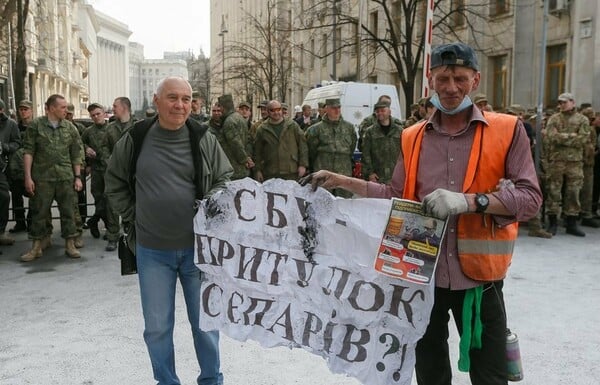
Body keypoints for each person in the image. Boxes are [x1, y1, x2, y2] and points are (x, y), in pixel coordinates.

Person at [301, 42, 542, 385]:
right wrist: (341, 181)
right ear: (431, 80)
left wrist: (471, 202)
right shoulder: (412, 137)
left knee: (490, 376)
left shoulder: (506, 130)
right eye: (443, 78)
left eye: (460, 78)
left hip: (479, 283)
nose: (451, 87)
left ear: (475, 79)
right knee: (430, 373)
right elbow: (396, 196)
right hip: (420, 278)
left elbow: (530, 199)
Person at [105, 76, 231, 385]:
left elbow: (225, 178)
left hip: (198, 251)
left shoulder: (203, 137)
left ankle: (211, 380)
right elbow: (114, 181)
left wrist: (208, 205)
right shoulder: (136, 136)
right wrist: (136, 215)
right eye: (172, 97)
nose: (180, 104)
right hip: (152, 251)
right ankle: (166, 381)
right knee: (158, 327)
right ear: (156, 101)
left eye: (186, 99)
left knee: (205, 323)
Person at [20, 94, 83, 261]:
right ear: (52, 108)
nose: (66, 110)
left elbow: (76, 153)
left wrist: (77, 177)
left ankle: (70, 244)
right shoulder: (35, 126)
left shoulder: (70, 128)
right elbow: (28, 152)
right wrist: (28, 177)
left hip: (65, 178)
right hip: (42, 178)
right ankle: (36, 247)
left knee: (69, 211)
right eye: (62, 107)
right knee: (38, 213)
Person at [544, 92, 591, 236]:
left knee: (574, 192)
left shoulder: (582, 119)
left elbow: (583, 139)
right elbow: (551, 136)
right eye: (560, 102)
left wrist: (562, 137)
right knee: (553, 191)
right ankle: (552, 223)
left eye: (564, 102)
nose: (561, 105)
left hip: (574, 162)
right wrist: (572, 137)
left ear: (573, 102)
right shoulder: (554, 119)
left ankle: (571, 223)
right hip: (557, 160)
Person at [82, 103, 118, 251]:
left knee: (110, 202)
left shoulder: (112, 129)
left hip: (111, 171)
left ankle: (112, 236)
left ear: (104, 113)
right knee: (98, 199)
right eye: (93, 115)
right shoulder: (88, 131)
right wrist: (86, 149)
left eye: (98, 114)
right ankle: (97, 222)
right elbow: (79, 143)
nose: (96, 117)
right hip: (97, 170)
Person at [305, 98, 357, 197]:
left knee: (344, 204)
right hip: (323, 172)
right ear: (327, 109)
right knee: (322, 204)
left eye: (339, 107)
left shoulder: (349, 128)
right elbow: (311, 152)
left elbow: (351, 148)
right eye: (333, 108)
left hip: (343, 173)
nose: (337, 110)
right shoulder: (315, 129)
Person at [253, 100, 308, 182]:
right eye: (272, 110)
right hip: (270, 172)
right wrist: (257, 170)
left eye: (278, 109)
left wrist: (303, 165)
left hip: (291, 171)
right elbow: (257, 152)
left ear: (281, 110)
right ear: (268, 112)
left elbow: (302, 145)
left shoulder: (292, 126)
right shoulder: (262, 129)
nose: (276, 113)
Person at [360, 100, 403, 184]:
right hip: (378, 176)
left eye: (383, 110)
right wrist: (370, 173)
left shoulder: (400, 130)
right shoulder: (370, 131)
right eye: (377, 111)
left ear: (389, 112)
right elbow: (366, 154)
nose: (380, 113)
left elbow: (404, 153)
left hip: (395, 175)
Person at [217, 94, 254, 180]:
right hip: (241, 169)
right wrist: (247, 157)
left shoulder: (229, 122)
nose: (220, 110)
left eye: (220, 106)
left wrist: (244, 160)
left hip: (234, 169)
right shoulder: (239, 118)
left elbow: (235, 143)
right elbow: (248, 141)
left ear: (223, 107)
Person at [0, 98, 21, 248]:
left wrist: (4, 147)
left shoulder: (10, 124)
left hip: (1, 167)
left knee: (4, 196)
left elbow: (17, 143)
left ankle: (1, 232)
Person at [9, 100, 32, 233]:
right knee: (17, 197)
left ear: (31, 111)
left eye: (26, 109)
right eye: (21, 109)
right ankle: (20, 223)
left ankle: (31, 221)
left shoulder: (36, 126)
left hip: (33, 168)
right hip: (17, 169)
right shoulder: (14, 127)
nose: (23, 112)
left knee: (34, 196)